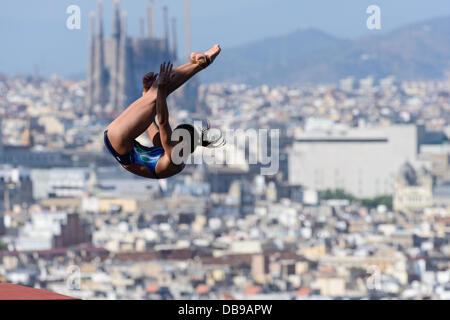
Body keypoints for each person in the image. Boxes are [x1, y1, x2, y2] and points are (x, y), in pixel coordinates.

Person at [104, 44, 223, 179]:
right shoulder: (169, 153)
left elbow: (163, 122)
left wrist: (160, 88)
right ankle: (198, 63)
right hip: (118, 142)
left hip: (120, 142)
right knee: (155, 94)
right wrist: (146, 92)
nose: (172, 138)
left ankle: (201, 64)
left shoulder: (175, 157)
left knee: (157, 94)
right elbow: (151, 126)